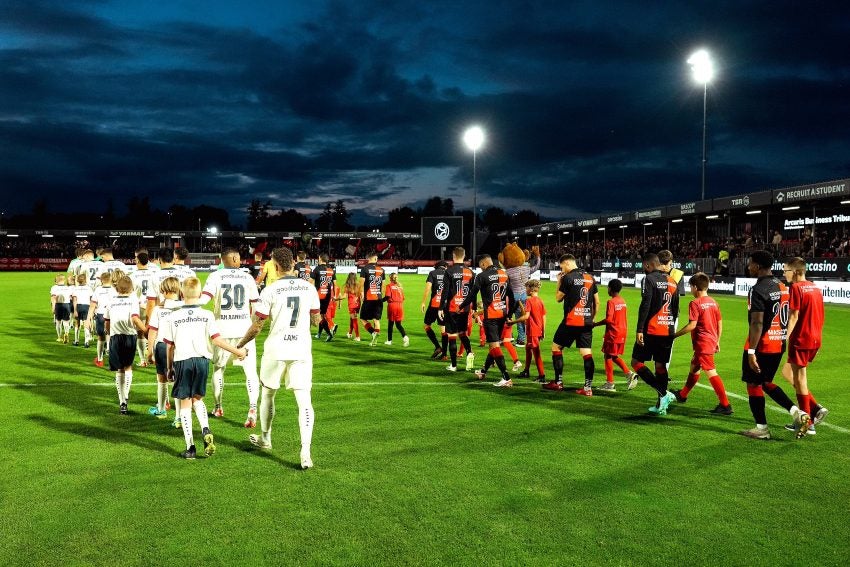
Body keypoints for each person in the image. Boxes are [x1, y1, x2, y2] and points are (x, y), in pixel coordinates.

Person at [236, 247, 321, 470]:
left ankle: (265, 438)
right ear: (293, 264)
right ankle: (305, 452)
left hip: (276, 348)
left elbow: (257, 326)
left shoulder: (270, 290)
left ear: (274, 266)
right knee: (304, 401)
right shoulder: (309, 288)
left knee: (268, 394)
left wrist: (240, 344)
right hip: (301, 349)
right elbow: (316, 321)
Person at [162, 277, 247, 459]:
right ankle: (205, 428)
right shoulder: (207, 315)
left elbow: (169, 346)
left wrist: (169, 368)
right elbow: (217, 340)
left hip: (183, 360)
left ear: (182, 293)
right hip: (202, 361)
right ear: (200, 294)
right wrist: (237, 351)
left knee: (185, 404)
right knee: (197, 400)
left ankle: (190, 447)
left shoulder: (173, 316)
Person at [739, 250, 810, 440]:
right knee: (766, 382)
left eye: (751, 263)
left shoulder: (758, 289)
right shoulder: (783, 285)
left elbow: (757, 323)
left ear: (758, 266)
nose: (749, 266)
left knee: (753, 384)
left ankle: (761, 428)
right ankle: (798, 412)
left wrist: (752, 351)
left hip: (762, 345)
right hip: (779, 343)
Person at [197, 247, 261, 425]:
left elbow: (204, 300)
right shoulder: (247, 277)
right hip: (244, 331)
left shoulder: (215, 276)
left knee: (219, 369)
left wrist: (185, 304)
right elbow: (256, 307)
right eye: (239, 257)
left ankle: (218, 407)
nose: (240, 259)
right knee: (250, 373)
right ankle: (253, 408)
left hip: (222, 331)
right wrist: (254, 324)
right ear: (233, 258)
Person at [669, 273, 733, 414]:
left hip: (703, 343)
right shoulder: (714, 302)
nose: (690, 289)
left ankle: (725, 405)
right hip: (709, 341)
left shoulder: (695, 303)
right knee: (694, 367)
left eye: (690, 287)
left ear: (695, 287)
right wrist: (717, 340)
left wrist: (674, 335)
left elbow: (692, 325)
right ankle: (683, 394)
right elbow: (719, 323)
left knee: (711, 372)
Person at [780, 257, 828, 436]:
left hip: (801, 339)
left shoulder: (796, 288)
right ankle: (813, 409)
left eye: (786, 270)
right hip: (815, 338)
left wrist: (785, 337)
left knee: (799, 380)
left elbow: (793, 316)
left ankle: (807, 422)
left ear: (796, 271)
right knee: (789, 373)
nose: (784, 274)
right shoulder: (815, 287)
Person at [629, 253, 679, 414]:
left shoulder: (648, 279)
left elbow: (646, 304)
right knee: (660, 366)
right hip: (668, 330)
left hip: (652, 329)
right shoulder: (672, 281)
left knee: (636, 362)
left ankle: (663, 394)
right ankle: (661, 405)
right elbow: (676, 309)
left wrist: (639, 329)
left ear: (648, 265)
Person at [544, 254, 599, 396]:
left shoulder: (568, 278)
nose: (562, 270)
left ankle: (558, 382)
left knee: (556, 347)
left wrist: (558, 281)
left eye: (562, 267)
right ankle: (588, 388)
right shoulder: (590, 277)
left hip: (571, 321)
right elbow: (596, 302)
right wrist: (591, 319)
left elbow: (558, 298)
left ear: (567, 263)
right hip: (586, 321)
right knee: (586, 353)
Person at [459, 255, 515, 387]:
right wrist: (509, 314)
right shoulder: (504, 274)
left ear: (483, 264)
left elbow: (472, 294)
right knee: (493, 344)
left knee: (494, 346)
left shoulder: (482, 276)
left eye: (480, 266)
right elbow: (512, 297)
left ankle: (506, 378)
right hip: (502, 314)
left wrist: (461, 306)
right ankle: (483, 371)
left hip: (491, 316)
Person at [104, 275, 147, 414]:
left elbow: (107, 321)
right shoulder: (133, 300)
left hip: (115, 338)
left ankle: (122, 401)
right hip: (129, 337)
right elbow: (135, 318)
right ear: (131, 288)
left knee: (119, 370)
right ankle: (126, 395)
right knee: (128, 367)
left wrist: (108, 331)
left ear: (117, 288)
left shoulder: (111, 301)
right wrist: (146, 331)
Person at [145, 277, 183, 421]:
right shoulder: (183, 306)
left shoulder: (158, 309)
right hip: (179, 346)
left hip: (162, 346)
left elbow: (153, 332)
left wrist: (149, 352)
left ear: (164, 290)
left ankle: (161, 410)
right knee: (177, 381)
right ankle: (179, 417)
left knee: (161, 379)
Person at [592, 278, 637, 392]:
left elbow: (609, 319)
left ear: (610, 289)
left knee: (607, 355)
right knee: (613, 355)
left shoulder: (611, 302)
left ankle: (610, 383)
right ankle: (629, 374)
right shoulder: (622, 301)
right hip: (622, 331)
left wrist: (595, 324)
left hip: (613, 332)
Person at [439, 247, 475, 372]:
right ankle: (470, 352)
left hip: (452, 308)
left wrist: (440, 308)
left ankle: (454, 365)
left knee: (452, 336)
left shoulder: (449, 271)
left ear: (454, 256)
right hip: (464, 308)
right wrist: (473, 308)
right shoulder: (470, 272)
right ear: (464, 256)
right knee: (463, 333)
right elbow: (473, 293)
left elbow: (445, 291)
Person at [512, 279, 547, 383]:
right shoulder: (540, 300)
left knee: (536, 352)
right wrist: (543, 330)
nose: (525, 290)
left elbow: (526, 316)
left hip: (533, 331)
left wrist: (513, 322)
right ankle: (526, 371)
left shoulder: (530, 301)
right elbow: (544, 316)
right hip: (536, 330)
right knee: (528, 348)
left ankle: (542, 375)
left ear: (531, 290)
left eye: (526, 288)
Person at [506, 248, 540, 345]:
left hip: (513, 296)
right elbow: (536, 266)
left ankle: (508, 336)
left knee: (507, 316)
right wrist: (538, 256)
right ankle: (521, 339)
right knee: (520, 317)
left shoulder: (509, 270)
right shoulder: (527, 268)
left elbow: (505, 282)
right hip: (524, 295)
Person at [129, 251, 158, 366]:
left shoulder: (132, 275)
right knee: (154, 332)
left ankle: (142, 360)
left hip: (139, 307)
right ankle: (154, 356)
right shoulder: (155, 274)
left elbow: (130, 293)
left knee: (140, 333)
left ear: (137, 261)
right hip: (152, 306)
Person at [88, 272, 117, 367]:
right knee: (112, 336)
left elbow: (92, 305)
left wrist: (89, 318)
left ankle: (100, 360)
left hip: (101, 315)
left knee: (100, 337)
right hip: (112, 315)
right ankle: (112, 357)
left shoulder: (98, 290)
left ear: (101, 280)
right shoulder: (114, 290)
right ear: (111, 279)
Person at [420, 260, 448, 358]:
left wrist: (423, 302)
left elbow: (428, 288)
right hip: (444, 305)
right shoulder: (448, 273)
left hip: (434, 304)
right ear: (445, 266)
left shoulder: (433, 273)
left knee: (427, 325)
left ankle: (437, 346)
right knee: (443, 330)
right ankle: (444, 355)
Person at [358, 251, 385, 346]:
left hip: (369, 298)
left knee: (362, 318)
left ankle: (373, 333)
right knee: (376, 320)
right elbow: (383, 286)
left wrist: (361, 294)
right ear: (374, 259)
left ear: (368, 259)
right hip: (378, 298)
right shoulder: (381, 270)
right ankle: (375, 340)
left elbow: (361, 284)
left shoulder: (365, 269)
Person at [311, 253, 337, 341]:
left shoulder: (317, 269)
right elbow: (335, 284)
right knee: (322, 315)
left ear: (320, 259)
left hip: (319, 295)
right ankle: (319, 334)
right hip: (328, 295)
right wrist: (335, 295)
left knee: (319, 316)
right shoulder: (331, 270)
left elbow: (310, 282)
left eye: (318, 258)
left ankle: (329, 334)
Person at [383, 273, 409, 346]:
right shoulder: (399, 287)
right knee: (398, 324)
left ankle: (389, 340)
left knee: (390, 324)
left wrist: (380, 301)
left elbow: (387, 296)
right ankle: (405, 337)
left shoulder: (389, 286)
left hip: (393, 305)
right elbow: (403, 298)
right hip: (400, 306)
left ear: (390, 278)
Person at [70, 273, 93, 347]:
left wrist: (75, 310)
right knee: (86, 324)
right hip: (86, 306)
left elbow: (74, 300)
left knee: (77, 323)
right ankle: (86, 342)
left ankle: (76, 340)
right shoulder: (89, 288)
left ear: (77, 280)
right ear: (85, 280)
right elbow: (91, 299)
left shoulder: (75, 288)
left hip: (78, 306)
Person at [50, 274, 73, 344]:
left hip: (58, 305)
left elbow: (53, 298)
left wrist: (53, 308)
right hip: (66, 305)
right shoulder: (68, 288)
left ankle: (59, 337)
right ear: (64, 280)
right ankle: (66, 333)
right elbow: (71, 297)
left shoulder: (54, 288)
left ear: (56, 280)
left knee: (58, 322)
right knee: (66, 321)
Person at [343, 272, 361, 340]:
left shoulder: (348, 286)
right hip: (358, 304)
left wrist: (336, 298)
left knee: (354, 320)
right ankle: (350, 333)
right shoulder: (358, 285)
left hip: (352, 305)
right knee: (352, 318)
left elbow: (344, 296)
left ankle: (357, 336)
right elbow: (361, 295)